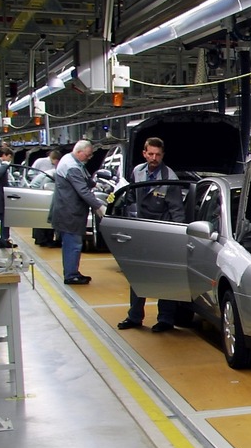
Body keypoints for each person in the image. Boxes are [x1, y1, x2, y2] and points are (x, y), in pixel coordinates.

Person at [117, 137, 187, 332]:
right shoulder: (137, 172)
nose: (154, 158)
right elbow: (130, 198)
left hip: (161, 232)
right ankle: (134, 317)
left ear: (163, 155)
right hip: (140, 231)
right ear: (144, 153)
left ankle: (165, 319)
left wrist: (179, 235)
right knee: (137, 275)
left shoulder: (170, 178)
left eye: (158, 154)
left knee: (164, 276)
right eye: (151, 154)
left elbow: (177, 209)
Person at [49, 140, 105, 285]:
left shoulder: (71, 160)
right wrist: (99, 206)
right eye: (87, 155)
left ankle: (71, 271)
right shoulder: (71, 166)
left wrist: (96, 184)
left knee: (71, 244)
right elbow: (83, 191)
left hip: (68, 210)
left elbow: (85, 178)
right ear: (79, 152)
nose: (89, 158)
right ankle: (71, 275)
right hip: (69, 212)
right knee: (73, 244)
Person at [31, 149, 62, 246]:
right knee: (43, 216)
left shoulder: (54, 170)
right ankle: (43, 240)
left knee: (41, 216)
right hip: (38, 191)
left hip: (40, 190)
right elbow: (46, 185)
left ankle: (40, 239)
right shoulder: (53, 172)